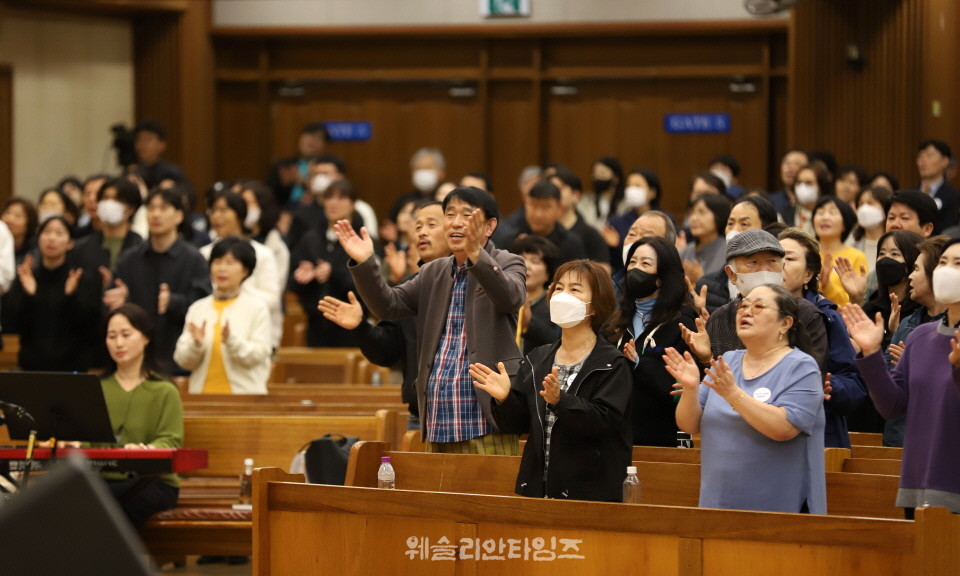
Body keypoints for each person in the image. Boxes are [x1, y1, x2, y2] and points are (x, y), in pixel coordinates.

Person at [340, 186, 525, 454]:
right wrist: (366, 262)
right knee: (436, 495)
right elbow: (388, 306)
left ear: (490, 226)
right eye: (450, 214)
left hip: (485, 417)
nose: (457, 222)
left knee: (485, 496)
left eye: (467, 215)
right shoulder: (434, 271)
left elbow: (510, 297)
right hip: (438, 417)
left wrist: (476, 254)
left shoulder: (509, 262)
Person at [470, 260, 631, 501]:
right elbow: (518, 425)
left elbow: (603, 422)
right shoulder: (538, 357)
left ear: (595, 305)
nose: (563, 295)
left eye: (575, 289)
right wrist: (505, 399)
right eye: (558, 288)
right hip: (538, 487)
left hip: (590, 492)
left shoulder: (611, 363)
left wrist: (560, 401)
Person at [667, 284, 826, 514]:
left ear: (785, 323)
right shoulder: (729, 360)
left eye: (759, 306)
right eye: (743, 306)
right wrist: (691, 388)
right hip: (717, 502)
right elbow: (689, 424)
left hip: (778, 508)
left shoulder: (802, 367)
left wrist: (733, 394)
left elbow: (784, 428)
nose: (746, 311)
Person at [841, 238, 960, 516]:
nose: (946, 270)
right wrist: (871, 354)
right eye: (943, 262)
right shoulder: (920, 336)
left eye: (958, 264)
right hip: (917, 484)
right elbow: (892, 406)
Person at [318, 201, 452, 429]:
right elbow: (387, 353)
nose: (422, 232)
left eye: (431, 224)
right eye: (417, 226)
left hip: (468, 416)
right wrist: (361, 327)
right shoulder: (409, 286)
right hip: (421, 420)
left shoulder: (474, 284)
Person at [683, 229, 828, 373]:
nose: (764, 270)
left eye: (772, 262)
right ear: (732, 274)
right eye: (753, 263)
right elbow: (711, 385)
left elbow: (808, 375)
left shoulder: (805, 313)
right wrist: (706, 359)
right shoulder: (720, 318)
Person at [106, 188, 212, 374]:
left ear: (179, 216)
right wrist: (120, 303)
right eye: (151, 208)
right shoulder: (130, 259)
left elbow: (204, 307)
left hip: (178, 360)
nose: (155, 214)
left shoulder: (194, 259)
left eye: (163, 208)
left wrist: (174, 301)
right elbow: (111, 304)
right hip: (135, 363)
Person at [779, 227, 866, 448]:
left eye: (789, 258)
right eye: (774, 258)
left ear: (808, 274)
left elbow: (854, 386)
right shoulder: (747, 312)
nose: (780, 264)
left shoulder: (826, 317)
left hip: (819, 434)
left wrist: (830, 386)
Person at [606, 237, 699, 447]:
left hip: (661, 437)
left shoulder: (682, 324)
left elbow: (678, 391)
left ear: (662, 277)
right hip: (617, 437)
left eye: (645, 264)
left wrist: (640, 364)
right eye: (632, 262)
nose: (635, 269)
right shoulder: (615, 324)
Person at [99, 303, 183, 528]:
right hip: (104, 480)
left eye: (126, 335)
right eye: (112, 336)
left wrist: (147, 450)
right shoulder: (96, 388)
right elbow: (89, 438)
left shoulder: (165, 390)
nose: (118, 343)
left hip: (152, 482)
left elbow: (171, 440)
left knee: (120, 504)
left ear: (146, 338)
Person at [175, 237, 271, 394]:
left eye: (230, 263)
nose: (222, 269)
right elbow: (182, 360)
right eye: (217, 262)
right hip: (201, 397)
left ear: (245, 270)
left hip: (244, 399)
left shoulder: (257, 308)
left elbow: (259, 355)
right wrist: (196, 344)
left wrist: (232, 341)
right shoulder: (198, 308)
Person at [4, 216, 99, 371]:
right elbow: (12, 326)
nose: (52, 238)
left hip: (73, 369)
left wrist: (70, 297)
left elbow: (90, 330)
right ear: (38, 238)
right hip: (31, 368)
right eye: (47, 232)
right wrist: (30, 296)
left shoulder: (81, 278)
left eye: (59, 233)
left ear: (70, 243)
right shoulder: (26, 277)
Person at [882, 235, 948, 447]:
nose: (910, 276)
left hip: (938, 442)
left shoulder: (952, 328)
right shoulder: (908, 322)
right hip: (897, 438)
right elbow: (885, 381)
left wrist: (917, 367)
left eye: (917, 269)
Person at [290, 179, 371, 348]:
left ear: (353, 203)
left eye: (341, 198)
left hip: (353, 328)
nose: (333, 203)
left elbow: (372, 285)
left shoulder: (364, 240)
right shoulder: (310, 239)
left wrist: (333, 272)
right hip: (316, 326)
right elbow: (291, 284)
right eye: (328, 198)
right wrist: (302, 276)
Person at [202, 189, 282, 350]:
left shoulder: (262, 253)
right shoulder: (203, 254)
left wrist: (235, 291)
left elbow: (271, 300)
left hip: (254, 338)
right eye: (213, 210)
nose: (217, 216)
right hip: (210, 339)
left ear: (240, 215)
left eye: (224, 210)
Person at [697, 195, 779, 313]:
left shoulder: (777, 284)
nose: (734, 230)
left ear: (766, 231)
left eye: (744, 224)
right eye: (730, 223)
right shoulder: (706, 285)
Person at [503, 179, 587, 266]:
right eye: (533, 205)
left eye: (546, 207)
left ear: (559, 209)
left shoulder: (571, 244)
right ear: (525, 204)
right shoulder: (513, 241)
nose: (538, 214)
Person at [510, 234, 561, 355]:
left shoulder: (553, 305)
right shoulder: (502, 298)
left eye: (535, 261)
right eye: (521, 259)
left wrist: (529, 324)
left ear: (548, 273)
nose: (526, 266)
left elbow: (557, 342)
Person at [811, 195, 865, 306]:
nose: (825, 217)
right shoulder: (807, 253)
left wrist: (827, 285)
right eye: (820, 213)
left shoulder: (856, 256)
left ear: (845, 223)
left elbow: (854, 301)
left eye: (832, 213)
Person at [679, 193, 731, 285]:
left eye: (702, 212)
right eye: (691, 213)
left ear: (719, 216)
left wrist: (700, 279)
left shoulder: (728, 252)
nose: (694, 218)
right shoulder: (685, 252)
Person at [916, 139, 959, 233]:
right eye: (920, 156)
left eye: (929, 156)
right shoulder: (910, 193)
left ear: (945, 161)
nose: (923, 161)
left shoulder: (954, 197)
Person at [132, 120, 187, 191]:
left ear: (162, 145)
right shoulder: (133, 170)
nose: (142, 144)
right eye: (139, 139)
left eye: (148, 139)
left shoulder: (172, 172)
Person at [784, 163, 831, 234]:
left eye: (808, 183)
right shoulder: (784, 215)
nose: (802, 187)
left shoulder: (830, 217)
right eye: (799, 182)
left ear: (821, 187)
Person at [770, 149, 810, 219]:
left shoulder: (813, 201)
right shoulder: (771, 201)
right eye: (787, 163)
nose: (790, 167)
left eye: (797, 163)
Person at [1, 197, 38, 264]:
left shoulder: (35, 250)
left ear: (29, 223)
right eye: (7, 213)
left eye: (17, 216)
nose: (9, 219)